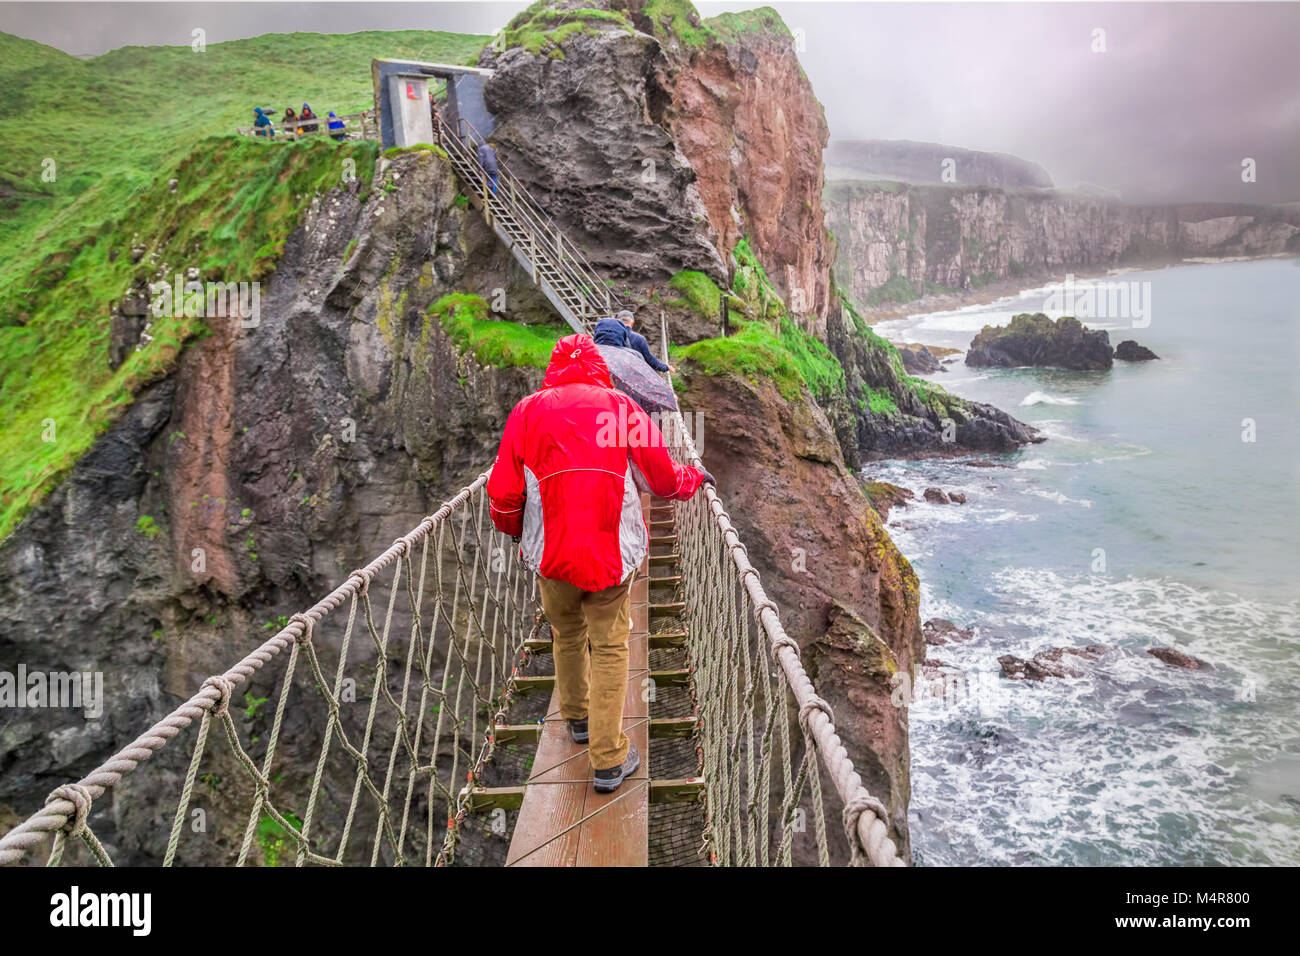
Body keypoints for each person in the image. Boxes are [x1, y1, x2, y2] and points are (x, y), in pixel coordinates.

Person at [487, 334, 714, 793]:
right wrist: (695, 478)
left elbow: (503, 492)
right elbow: (663, 478)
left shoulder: (527, 411)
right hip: (610, 553)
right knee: (610, 645)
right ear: (598, 366)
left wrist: (516, 533)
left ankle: (578, 720)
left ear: (554, 368)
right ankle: (609, 759)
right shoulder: (621, 408)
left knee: (566, 633)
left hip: (551, 556)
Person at [592, 309, 676, 374]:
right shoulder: (639, 339)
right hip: (632, 377)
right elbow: (650, 360)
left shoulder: (605, 336)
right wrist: (666, 367)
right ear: (632, 323)